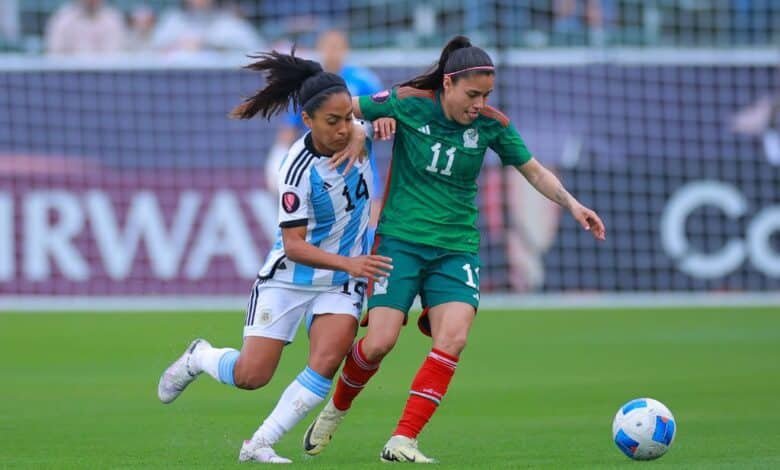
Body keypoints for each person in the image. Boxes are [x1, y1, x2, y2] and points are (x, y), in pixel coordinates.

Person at [303, 35, 606, 463]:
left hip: (456, 249)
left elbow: (534, 171)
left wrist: (573, 205)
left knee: (454, 338)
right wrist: (360, 129)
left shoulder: (491, 125)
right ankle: (334, 412)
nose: (479, 103)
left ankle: (403, 439)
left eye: (486, 95)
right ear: (447, 84)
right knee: (380, 342)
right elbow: (339, 110)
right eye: (472, 94)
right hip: (400, 243)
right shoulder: (407, 101)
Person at [156, 50, 393, 464]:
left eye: (348, 119)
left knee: (327, 359)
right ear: (308, 121)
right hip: (291, 278)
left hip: (340, 282)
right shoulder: (296, 172)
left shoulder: (361, 132)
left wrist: (364, 127)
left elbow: (406, 100)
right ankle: (199, 356)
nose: (343, 130)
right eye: (332, 122)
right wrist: (352, 264)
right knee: (252, 376)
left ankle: (259, 443)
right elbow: (294, 245)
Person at [266, 30, 387, 239]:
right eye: (328, 47)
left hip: (359, 162)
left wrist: (361, 131)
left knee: (371, 225)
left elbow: (382, 119)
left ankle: (365, 268)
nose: (333, 52)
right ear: (320, 49)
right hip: (321, 168)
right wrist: (276, 157)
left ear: (346, 49)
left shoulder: (364, 80)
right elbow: (291, 125)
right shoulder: (311, 86)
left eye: (338, 47)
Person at [151, 0, 263, 53]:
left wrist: (210, 45)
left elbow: (255, 49)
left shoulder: (230, 21)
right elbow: (154, 49)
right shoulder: (173, 20)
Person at [44, 0, 126, 55]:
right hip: (70, 77)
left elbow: (117, 55)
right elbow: (54, 54)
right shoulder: (62, 20)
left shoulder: (114, 20)